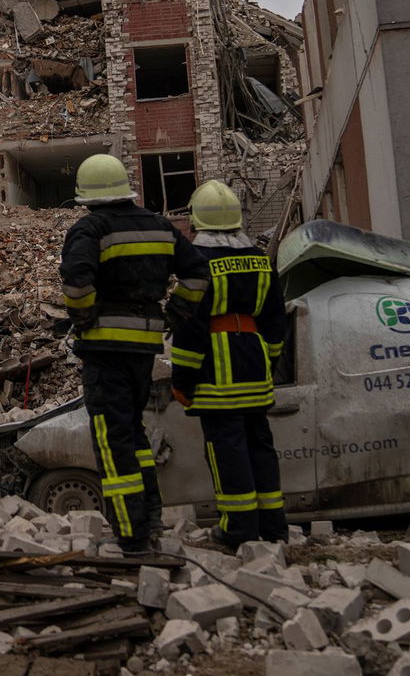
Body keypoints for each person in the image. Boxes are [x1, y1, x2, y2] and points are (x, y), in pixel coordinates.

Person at [59, 153, 208, 555]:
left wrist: (83, 317)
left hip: (105, 350)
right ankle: (150, 520)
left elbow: (76, 281)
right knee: (135, 434)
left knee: (113, 440)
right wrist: (174, 312)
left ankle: (131, 535)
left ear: (88, 197)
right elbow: (198, 273)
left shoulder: (91, 228)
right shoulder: (160, 226)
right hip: (144, 348)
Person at [170, 179, 290, 548]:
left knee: (228, 452)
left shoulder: (198, 263)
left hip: (216, 373)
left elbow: (190, 327)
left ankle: (237, 531)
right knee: (260, 448)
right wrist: (268, 362)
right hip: (254, 366)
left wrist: (182, 380)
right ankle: (274, 529)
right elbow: (275, 321)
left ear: (197, 220)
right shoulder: (260, 260)